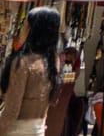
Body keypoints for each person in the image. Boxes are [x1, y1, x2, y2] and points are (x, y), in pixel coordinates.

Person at [0, 7, 60, 136]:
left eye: (26, 24)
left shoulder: (23, 62)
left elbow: (12, 110)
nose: (22, 28)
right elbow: (48, 105)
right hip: (37, 129)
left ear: (34, 30)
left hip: (15, 130)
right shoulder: (53, 61)